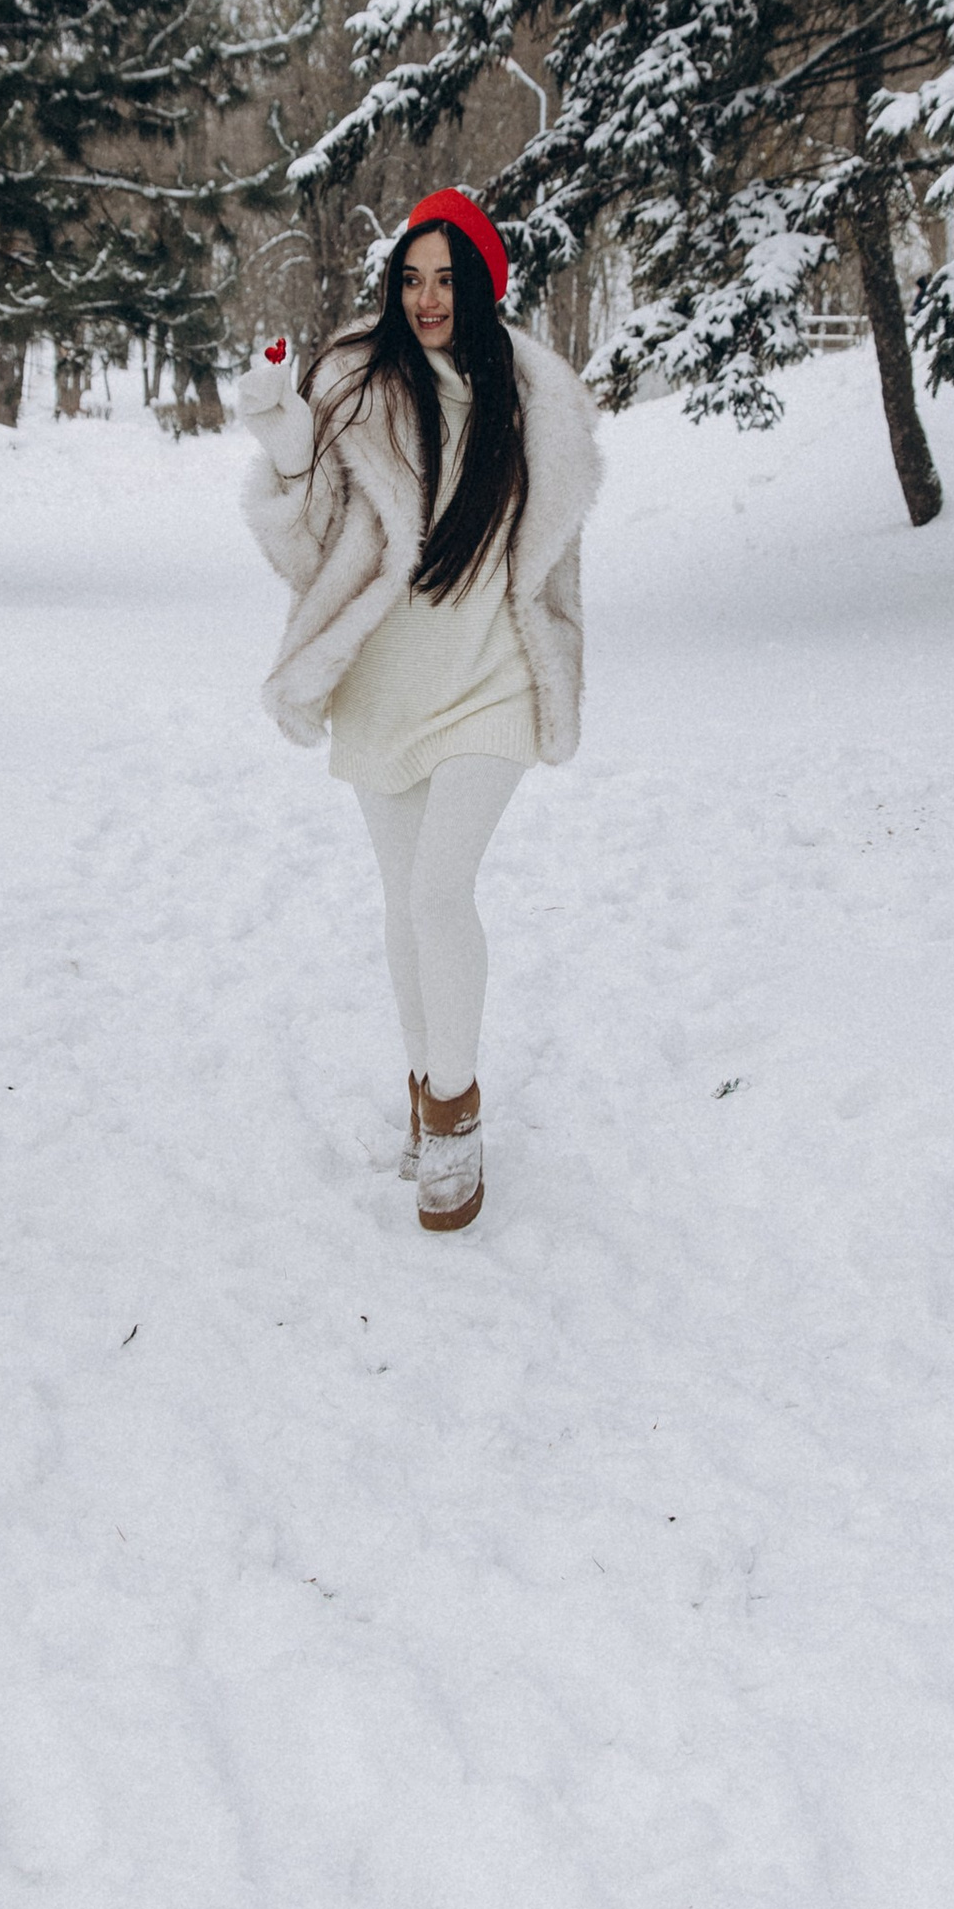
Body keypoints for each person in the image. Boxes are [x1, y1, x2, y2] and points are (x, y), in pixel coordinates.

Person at [237, 190, 602, 1232]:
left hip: (491, 678)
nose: (428, 297)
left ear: (481, 284)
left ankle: (454, 1111)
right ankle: (418, 1087)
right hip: (385, 682)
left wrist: (561, 669)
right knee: (402, 903)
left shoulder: (536, 408)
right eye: (412, 277)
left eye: (448, 278)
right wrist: (286, 446)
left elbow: (557, 567)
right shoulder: (357, 388)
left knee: (442, 890)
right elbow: (313, 546)